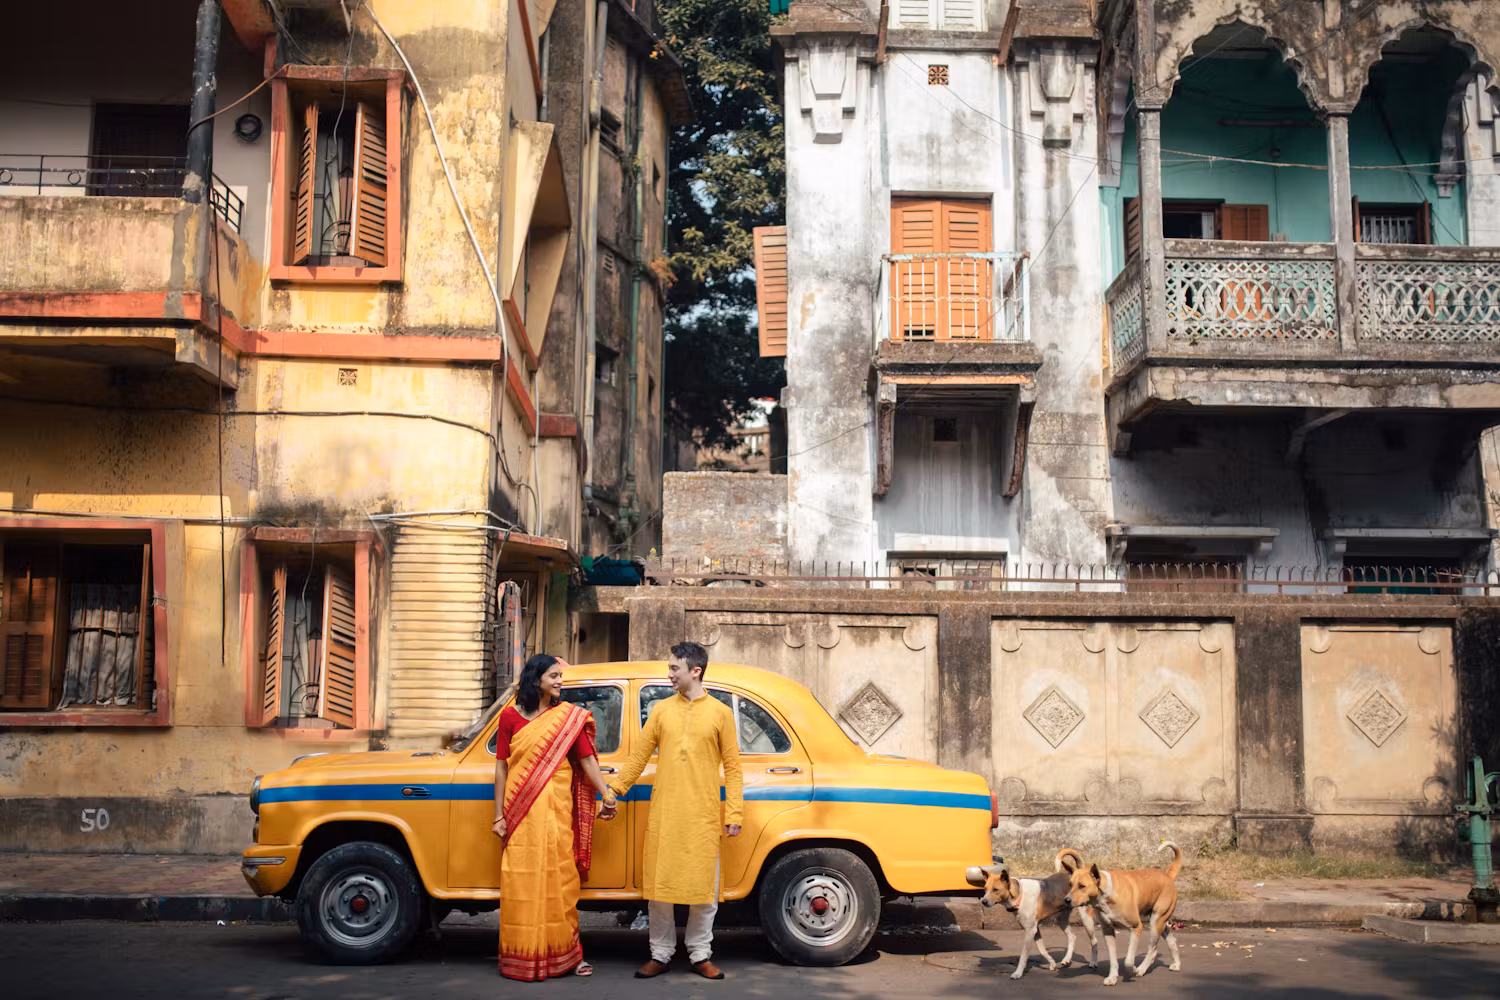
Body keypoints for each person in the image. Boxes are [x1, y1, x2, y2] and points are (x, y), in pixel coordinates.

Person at [608, 641, 743, 980]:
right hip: (666, 814)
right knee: (660, 891)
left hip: (703, 815)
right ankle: (661, 953)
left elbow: (734, 767)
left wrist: (735, 815)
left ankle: (700, 954)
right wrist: (614, 791)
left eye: (674, 669)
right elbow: (638, 757)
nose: (669, 674)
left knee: (703, 892)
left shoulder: (720, 714)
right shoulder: (660, 711)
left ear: (695, 671)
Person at [492, 654, 619, 981]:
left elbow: (588, 760)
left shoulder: (567, 718)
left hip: (557, 814)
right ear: (537, 681)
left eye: (560, 675)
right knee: (520, 880)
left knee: (561, 881)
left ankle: (568, 956)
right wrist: (498, 817)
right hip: (520, 812)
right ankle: (520, 955)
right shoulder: (509, 718)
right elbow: (502, 766)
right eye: (554, 676)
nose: (560, 681)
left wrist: (606, 793)